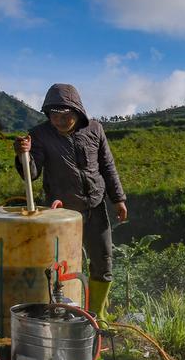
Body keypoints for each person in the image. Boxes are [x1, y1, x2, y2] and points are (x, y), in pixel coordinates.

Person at [13, 84, 127, 321]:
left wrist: (118, 199)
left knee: (103, 261)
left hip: (95, 207)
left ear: (77, 111)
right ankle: (61, 313)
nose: (60, 121)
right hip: (61, 214)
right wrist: (22, 154)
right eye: (55, 116)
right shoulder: (40, 135)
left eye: (66, 116)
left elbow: (107, 165)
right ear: (48, 115)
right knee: (61, 266)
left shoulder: (95, 129)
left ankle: (97, 316)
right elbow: (31, 174)